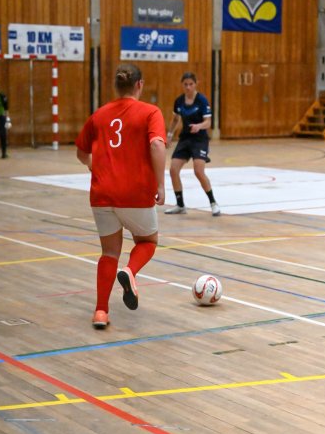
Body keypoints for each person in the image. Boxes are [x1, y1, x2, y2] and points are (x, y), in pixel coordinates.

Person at [76, 63, 166, 329]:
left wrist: (93, 165)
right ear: (140, 84)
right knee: (148, 241)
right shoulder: (151, 112)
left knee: (108, 252)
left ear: (117, 86)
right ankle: (130, 271)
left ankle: (101, 312)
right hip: (135, 192)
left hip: (102, 194)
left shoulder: (99, 115)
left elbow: (81, 153)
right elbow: (157, 144)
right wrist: (160, 185)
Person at [165, 71, 220, 216]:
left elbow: (208, 122)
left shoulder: (201, 100)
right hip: (185, 139)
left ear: (196, 84)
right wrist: (169, 135)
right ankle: (180, 205)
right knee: (173, 169)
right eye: (185, 84)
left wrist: (198, 126)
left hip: (200, 139)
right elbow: (175, 119)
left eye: (191, 84)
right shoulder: (179, 101)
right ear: (182, 85)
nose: (188, 87)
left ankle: (213, 203)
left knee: (198, 171)